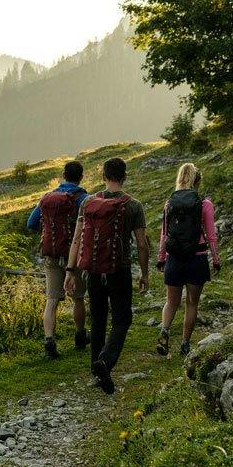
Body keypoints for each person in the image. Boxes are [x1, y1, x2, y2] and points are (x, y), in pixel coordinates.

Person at [64, 157, 148, 394]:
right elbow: (141, 244)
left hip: (92, 270)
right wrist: (144, 273)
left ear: (103, 176)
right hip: (118, 270)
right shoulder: (133, 205)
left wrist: (70, 271)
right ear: (124, 177)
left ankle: (95, 369)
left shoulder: (88, 203)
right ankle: (106, 361)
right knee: (122, 319)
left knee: (98, 319)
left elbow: (77, 239)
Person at [155, 161, 220, 358]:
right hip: (197, 258)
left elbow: (164, 234)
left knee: (171, 301)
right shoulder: (204, 204)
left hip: (174, 259)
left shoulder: (170, 203)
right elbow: (211, 235)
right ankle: (185, 344)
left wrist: (161, 258)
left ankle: (164, 332)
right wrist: (216, 259)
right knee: (192, 303)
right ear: (197, 181)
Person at [27, 160, 88, 359]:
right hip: (73, 255)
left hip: (51, 255)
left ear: (63, 175)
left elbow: (31, 223)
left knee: (52, 300)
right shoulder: (83, 198)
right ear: (81, 176)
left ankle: (49, 344)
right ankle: (80, 336)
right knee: (77, 297)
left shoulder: (48, 197)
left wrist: (49, 233)